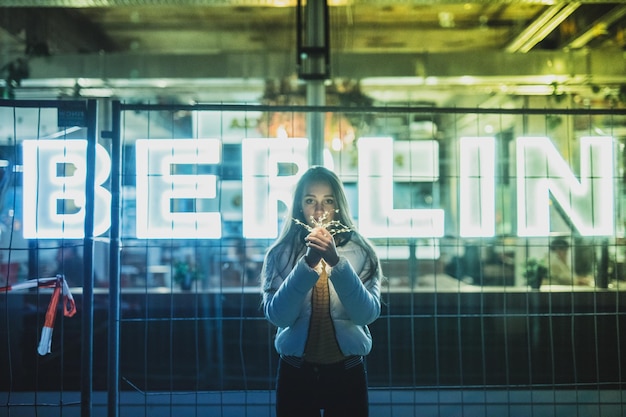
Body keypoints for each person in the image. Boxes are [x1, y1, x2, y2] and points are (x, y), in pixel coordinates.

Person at [261, 166, 382, 417]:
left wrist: (337, 263)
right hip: (296, 372)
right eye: (310, 201)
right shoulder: (280, 253)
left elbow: (366, 315)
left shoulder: (363, 252)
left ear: (339, 205)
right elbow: (278, 317)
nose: (319, 211)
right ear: (298, 206)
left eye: (328, 200)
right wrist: (307, 265)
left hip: (347, 371)